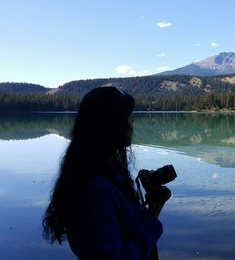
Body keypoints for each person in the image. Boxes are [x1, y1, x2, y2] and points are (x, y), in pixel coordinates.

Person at [43, 86, 164, 260]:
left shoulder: (105, 173)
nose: (132, 123)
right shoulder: (95, 189)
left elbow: (126, 230)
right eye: (130, 117)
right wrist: (152, 228)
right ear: (113, 123)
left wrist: (153, 208)